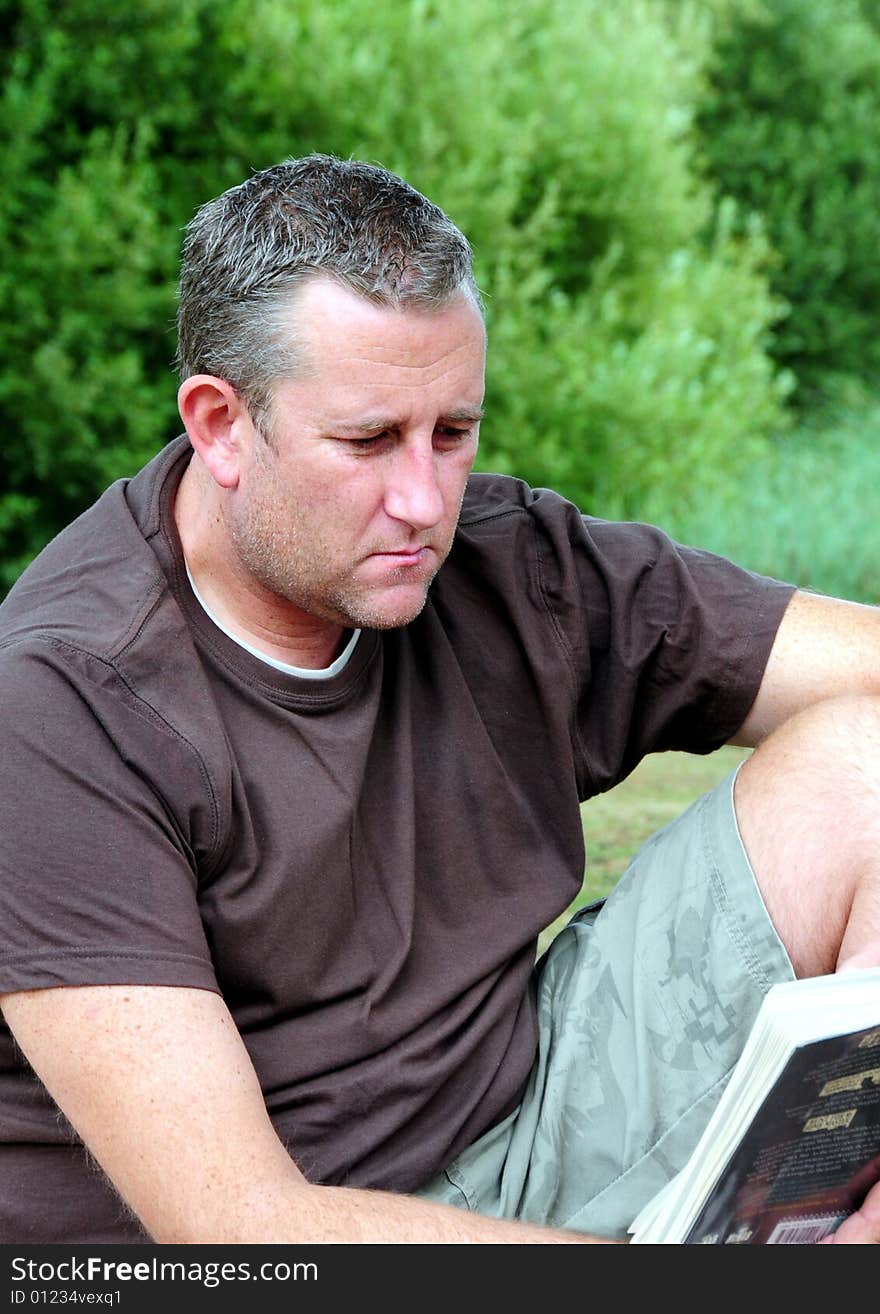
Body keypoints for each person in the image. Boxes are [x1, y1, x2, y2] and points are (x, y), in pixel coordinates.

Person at [0, 153, 878, 1247]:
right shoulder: (64, 707)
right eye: (367, 441)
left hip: (528, 1118)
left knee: (865, 770)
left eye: (451, 433)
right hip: (297, 1248)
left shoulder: (508, 567)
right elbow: (237, 1225)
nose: (423, 501)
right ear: (221, 425)